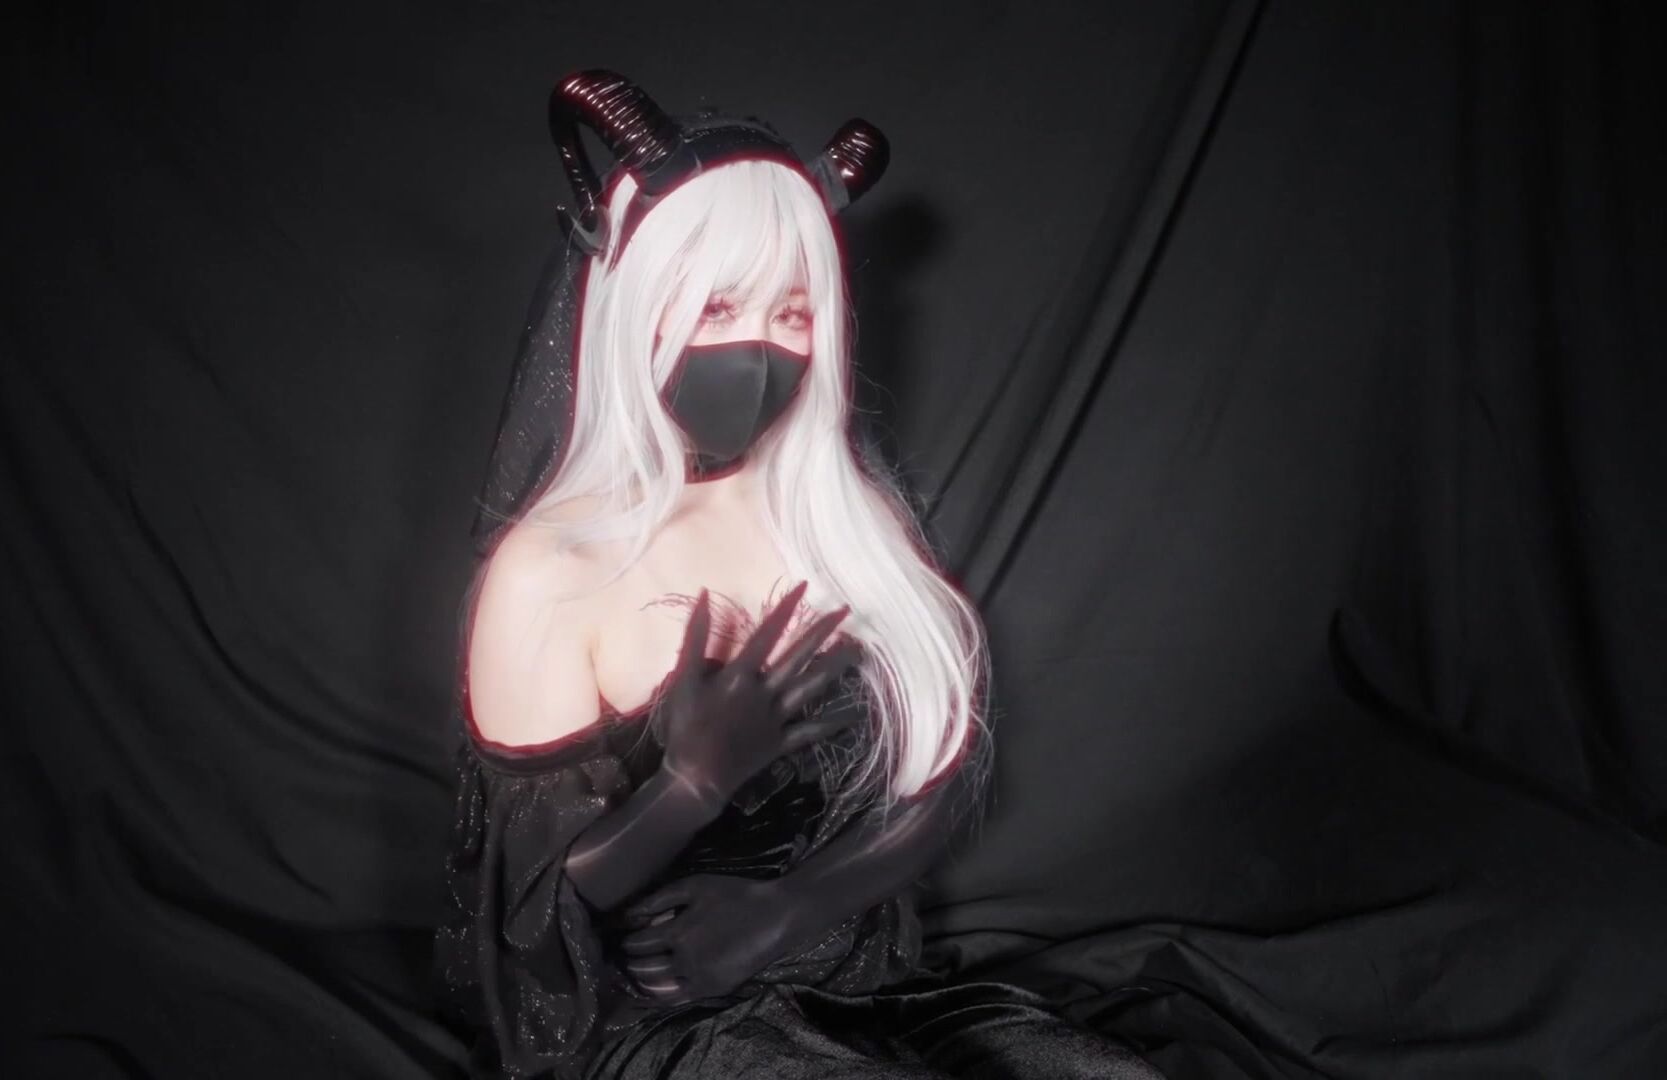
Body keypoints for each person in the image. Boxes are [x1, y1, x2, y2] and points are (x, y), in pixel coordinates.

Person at [432, 70, 1164, 1080]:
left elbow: (937, 770)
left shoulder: (846, 526)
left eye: (792, 311)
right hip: (659, 1021)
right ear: (638, 308)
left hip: (856, 972)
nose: (758, 348)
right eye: (717, 304)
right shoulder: (552, 569)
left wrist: (797, 904)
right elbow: (525, 921)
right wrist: (687, 788)